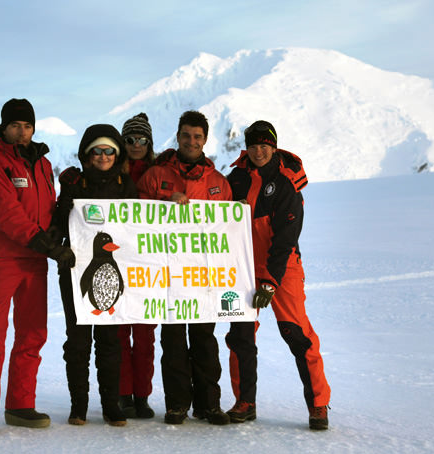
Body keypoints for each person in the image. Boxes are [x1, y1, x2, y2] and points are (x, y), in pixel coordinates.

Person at [0, 98, 75, 435]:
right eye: (15, 125)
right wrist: (45, 243)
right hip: (2, 259)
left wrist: (56, 225)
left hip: (34, 260)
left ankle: (20, 404)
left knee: (32, 333)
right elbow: (6, 212)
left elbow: (46, 205)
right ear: (3, 127)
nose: (22, 132)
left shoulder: (42, 164)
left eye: (27, 126)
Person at [224, 120, 331, 430]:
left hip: (283, 269)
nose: (259, 151)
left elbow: (286, 237)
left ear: (274, 146)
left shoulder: (285, 183)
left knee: (296, 334)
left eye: (264, 146)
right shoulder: (237, 178)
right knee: (240, 336)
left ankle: (318, 404)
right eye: (253, 145)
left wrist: (271, 281)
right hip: (244, 268)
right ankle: (245, 401)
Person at [137, 110, 232, 425]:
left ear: (205, 140)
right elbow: (134, 214)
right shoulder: (155, 175)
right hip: (167, 274)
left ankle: (209, 405)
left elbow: (229, 231)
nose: (192, 141)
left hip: (204, 275)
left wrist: (237, 218)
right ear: (177, 137)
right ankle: (177, 404)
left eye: (198, 136)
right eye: (186, 135)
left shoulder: (218, 183)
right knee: (173, 341)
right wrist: (166, 198)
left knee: (205, 340)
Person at [50, 124, 139, 427]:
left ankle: (111, 405)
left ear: (118, 154)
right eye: (96, 151)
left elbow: (137, 229)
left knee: (110, 340)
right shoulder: (75, 183)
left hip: (113, 272)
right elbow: (61, 223)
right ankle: (79, 406)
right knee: (77, 341)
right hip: (75, 271)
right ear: (87, 155)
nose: (103, 156)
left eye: (109, 150)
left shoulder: (126, 185)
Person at [116, 113, 157, 419]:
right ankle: (122, 393)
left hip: (149, 265)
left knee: (144, 336)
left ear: (149, 142)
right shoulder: (111, 170)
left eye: (141, 140)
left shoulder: (159, 172)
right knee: (118, 333)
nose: (136, 145)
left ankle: (142, 395)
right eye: (130, 139)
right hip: (117, 262)